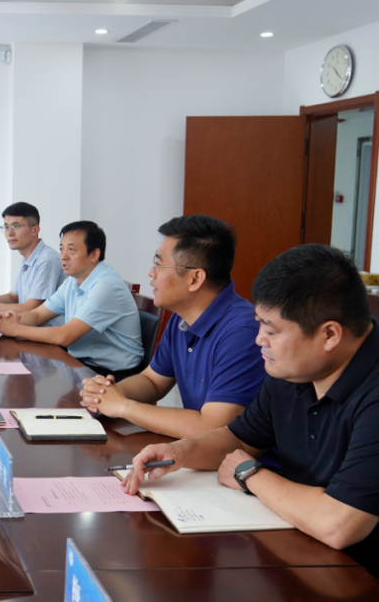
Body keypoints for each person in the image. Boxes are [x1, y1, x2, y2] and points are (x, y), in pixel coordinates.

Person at [123, 245, 379, 576]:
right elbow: (239, 438)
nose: (259, 340)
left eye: (270, 330)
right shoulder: (294, 370)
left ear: (329, 334)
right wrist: (180, 453)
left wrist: (249, 474)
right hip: (301, 549)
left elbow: (339, 523)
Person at [79, 215, 266, 439]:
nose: (151, 272)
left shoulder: (243, 332)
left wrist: (123, 406)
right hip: (195, 449)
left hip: (237, 458)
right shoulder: (182, 318)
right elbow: (152, 381)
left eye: (159, 264)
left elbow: (213, 428)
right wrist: (109, 393)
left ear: (194, 279)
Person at [0, 221, 142, 375]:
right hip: (81, 363)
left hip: (113, 374)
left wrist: (16, 329)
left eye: (71, 250)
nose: (63, 256)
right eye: (61, 249)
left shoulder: (106, 286)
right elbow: (37, 316)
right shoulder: (72, 281)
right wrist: (11, 320)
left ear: (94, 255)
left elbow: (65, 336)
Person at [0, 202, 64, 324]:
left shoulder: (46, 260)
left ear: (35, 230)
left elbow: (31, 309)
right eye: (6, 227)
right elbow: (13, 297)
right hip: (28, 330)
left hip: (49, 333)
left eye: (16, 226)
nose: (9, 233)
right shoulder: (28, 259)